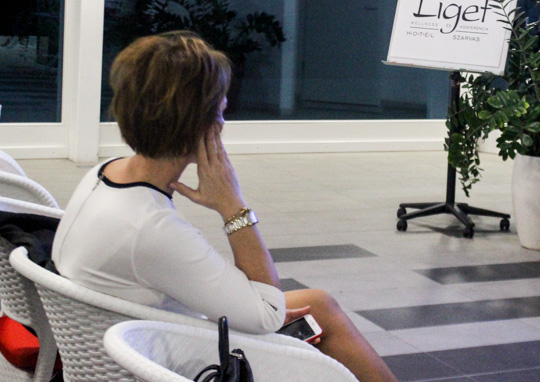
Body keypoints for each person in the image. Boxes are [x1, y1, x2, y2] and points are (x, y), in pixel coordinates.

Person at [51, 31, 398, 382]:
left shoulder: (104, 173)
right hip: (158, 359)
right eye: (220, 107)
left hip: (123, 341)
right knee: (319, 315)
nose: (223, 117)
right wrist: (233, 206)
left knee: (319, 305)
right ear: (202, 125)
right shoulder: (150, 227)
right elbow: (269, 313)